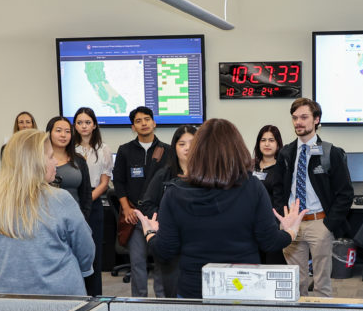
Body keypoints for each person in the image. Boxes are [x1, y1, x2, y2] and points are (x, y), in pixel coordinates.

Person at [134, 119, 305, 299]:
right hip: (242, 288)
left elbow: (164, 251)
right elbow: (269, 242)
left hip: (194, 291)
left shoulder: (174, 193)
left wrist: (150, 233)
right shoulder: (253, 187)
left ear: (197, 151)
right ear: (237, 149)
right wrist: (290, 232)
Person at [0, 129, 95, 296]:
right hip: (61, 298)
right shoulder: (61, 199)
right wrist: (84, 270)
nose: (55, 162)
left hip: (7, 297)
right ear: (35, 163)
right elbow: (84, 247)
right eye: (50, 156)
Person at [271, 98, 354, 298]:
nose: (298, 122)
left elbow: (345, 193)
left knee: (322, 284)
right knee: (296, 283)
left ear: (316, 119)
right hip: (292, 224)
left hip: (319, 223)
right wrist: (284, 218)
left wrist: (328, 225)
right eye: (295, 118)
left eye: (304, 117)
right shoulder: (285, 153)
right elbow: (278, 189)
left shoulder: (331, 152)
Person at [112, 106, 169, 297]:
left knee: (162, 263)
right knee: (137, 263)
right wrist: (126, 208)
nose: (143, 123)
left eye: (147, 119)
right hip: (135, 215)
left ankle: (163, 301)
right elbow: (118, 182)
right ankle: (139, 303)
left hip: (160, 216)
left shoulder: (167, 150)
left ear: (154, 123)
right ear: (133, 127)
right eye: (138, 121)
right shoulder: (125, 150)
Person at [138, 125, 197, 299]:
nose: (187, 148)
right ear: (174, 148)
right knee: (170, 289)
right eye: (182, 144)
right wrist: (166, 218)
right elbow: (147, 204)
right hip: (169, 239)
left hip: (197, 242)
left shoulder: (207, 175)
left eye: (192, 143)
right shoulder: (164, 175)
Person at [72, 107, 113, 296]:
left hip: (93, 202)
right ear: (75, 126)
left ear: (94, 125)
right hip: (72, 201)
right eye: (79, 122)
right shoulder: (70, 148)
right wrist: (78, 202)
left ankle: (95, 295)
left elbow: (104, 183)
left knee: (93, 251)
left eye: (87, 122)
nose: (84, 126)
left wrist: (86, 201)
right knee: (74, 251)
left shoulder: (103, 149)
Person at [251, 124, 286, 264]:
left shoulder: (282, 169)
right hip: (250, 227)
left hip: (272, 227)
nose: (267, 144)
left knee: (272, 266)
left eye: (271, 140)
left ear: (278, 144)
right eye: (263, 140)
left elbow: (281, 201)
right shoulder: (249, 167)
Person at [45, 116, 92, 219]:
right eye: (58, 131)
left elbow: (86, 193)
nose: (63, 135)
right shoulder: (40, 159)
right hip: (48, 218)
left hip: (76, 217)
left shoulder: (79, 160)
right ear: (49, 133)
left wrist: (84, 217)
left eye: (67, 131)